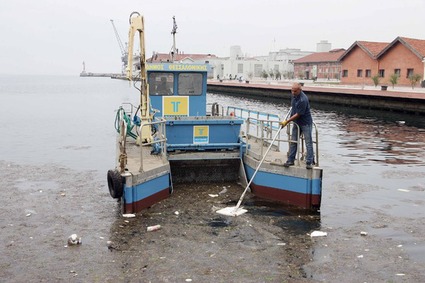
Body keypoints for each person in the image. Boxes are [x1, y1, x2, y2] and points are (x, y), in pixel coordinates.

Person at [279, 82, 315, 169]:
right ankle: (290, 160)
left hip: (305, 123)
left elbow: (298, 114)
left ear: (299, 90)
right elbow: (293, 108)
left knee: (308, 143)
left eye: (295, 91)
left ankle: (309, 161)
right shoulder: (294, 96)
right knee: (293, 141)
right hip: (296, 123)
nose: (293, 93)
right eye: (292, 91)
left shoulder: (303, 99)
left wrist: (287, 121)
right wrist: (289, 119)